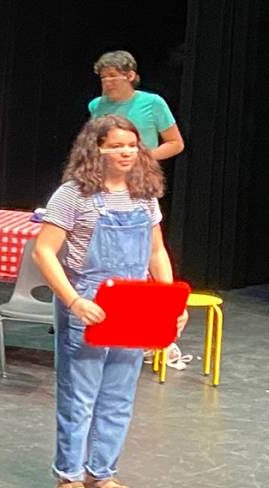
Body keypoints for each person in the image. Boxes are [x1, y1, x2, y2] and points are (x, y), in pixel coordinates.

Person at [34, 115, 183, 488]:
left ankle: (102, 472)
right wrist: (73, 301)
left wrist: (169, 301)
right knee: (80, 395)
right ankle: (70, 476)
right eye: (116, 146)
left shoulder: (143, 194)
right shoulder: (74, 195)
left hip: (134, 304)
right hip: (89, 300)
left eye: (131, 145)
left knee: (118, 395)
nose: (126, 152)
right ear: (95, 149)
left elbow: (156, 251)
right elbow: (43, 251)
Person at [87, 50, 190, 370]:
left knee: (142, 252)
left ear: (130, 76)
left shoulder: (152, 103)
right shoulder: (96, 106)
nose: (107, 83)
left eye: (112, 76)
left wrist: (141, 157)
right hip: (103, 185)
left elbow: (175, 142)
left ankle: (153, 329)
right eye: (103, 77)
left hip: (139, 185)